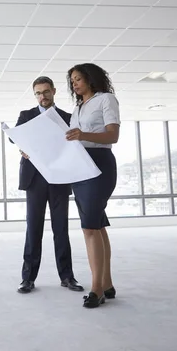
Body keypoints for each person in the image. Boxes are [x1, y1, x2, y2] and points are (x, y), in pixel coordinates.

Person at [13, 76, 84, 294]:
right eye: (38, 93)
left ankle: (67, 276)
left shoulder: (66, 116)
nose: (42, 96)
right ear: (35, 95)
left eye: (45, 92)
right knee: (33, 228)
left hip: (58, 178)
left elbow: (73, 145)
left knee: (61, 229)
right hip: (34, 179)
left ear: (53, 91)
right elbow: (14, 137)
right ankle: (28, 278)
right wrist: (22, 147)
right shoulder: (26, 115)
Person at [65, 63, 120, 308]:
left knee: (89, 228)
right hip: (80, 166)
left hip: (99, 165)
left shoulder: (106, 99)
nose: (74, 83)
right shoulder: (77, 108)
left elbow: (113, 136)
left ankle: (96, 288)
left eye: (78, 79)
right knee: (96, 225)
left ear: (90, 78)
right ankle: (106, 283)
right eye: (72, 80)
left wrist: (82, 135)